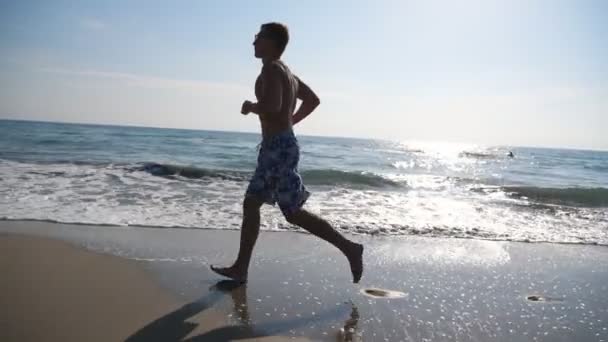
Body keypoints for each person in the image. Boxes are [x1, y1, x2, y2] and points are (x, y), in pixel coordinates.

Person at [211, 23, 364, 283]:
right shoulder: (287, 72)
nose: (253, 43)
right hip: (280, 145)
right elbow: (312, 100)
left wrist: (251, 107)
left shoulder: (272, 69)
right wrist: (289, 123)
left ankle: (350, 248)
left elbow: (272, 106)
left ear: (271, 41)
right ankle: (241, 268)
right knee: (258, 205)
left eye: (258, 37)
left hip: (278, 149)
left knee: (283, 210)